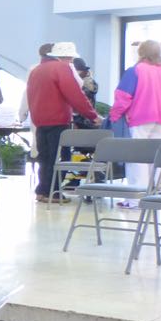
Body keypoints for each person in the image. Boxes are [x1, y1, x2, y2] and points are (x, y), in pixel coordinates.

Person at [26, 41, 100, 204]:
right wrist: (92, 115)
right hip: (58, 120)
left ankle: (42, 190)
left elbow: (29, 96)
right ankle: (55, 192)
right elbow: (75, 95)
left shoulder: (36, 70)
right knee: (60, 158)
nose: (71, 62)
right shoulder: (61, 68)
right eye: (71, 59)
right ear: (66, 57)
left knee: (44, 157)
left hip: (40, 121)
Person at [109, 40, 161, 206]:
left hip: (138, 120)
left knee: (137, 159)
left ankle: (135, 200)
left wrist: (114, 116)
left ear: (141, 53)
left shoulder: (135, 71)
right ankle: (155, 196)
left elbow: (123, 97)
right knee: (155, 158)